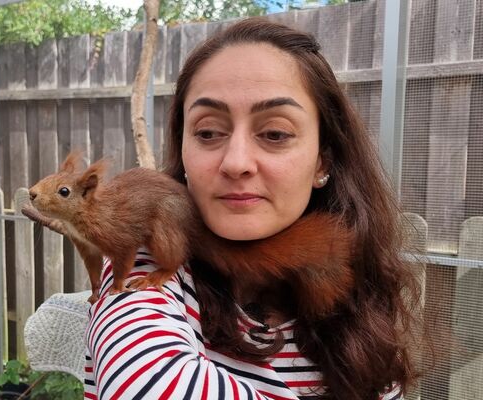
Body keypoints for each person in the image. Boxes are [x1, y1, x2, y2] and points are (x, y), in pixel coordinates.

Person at [83, 17, 424, 399]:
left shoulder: (358, 307)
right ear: (183, 151)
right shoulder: (150, 265)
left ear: (322, 162)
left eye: (275, 134)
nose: (236, 162)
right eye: (208, 133)